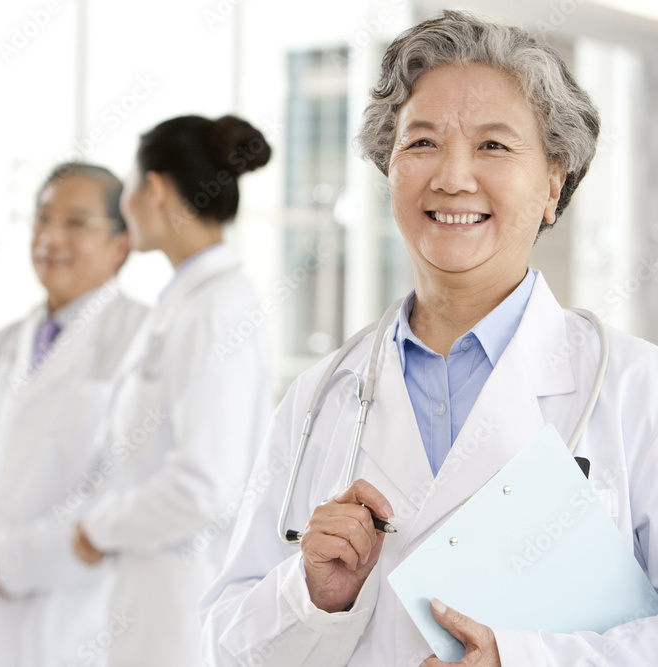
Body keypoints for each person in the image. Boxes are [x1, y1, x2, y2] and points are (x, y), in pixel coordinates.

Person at [200, 10, 658, 667]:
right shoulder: (318, 399)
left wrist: (524, 657)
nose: (452, 176)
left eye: (494, 146)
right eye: (421, 143)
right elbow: (223, 643)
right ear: (389, 170)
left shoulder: (636, 388)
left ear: (554, 182)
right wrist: (311, 596)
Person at [0, 162, 149, 666]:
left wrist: (20, 557)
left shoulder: (143, 344)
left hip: (75, 615)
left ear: (120, 244)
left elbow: (126, 485)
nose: (50, 237)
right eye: (42, 219)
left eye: (76, 222)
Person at [72, 114, 274, 666]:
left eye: (129, 186)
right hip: (152, 595)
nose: (124, 206)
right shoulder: (188, 301)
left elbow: (205, 484)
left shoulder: (215, 307)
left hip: (184, 599)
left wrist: (98, 527)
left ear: (155, 189)